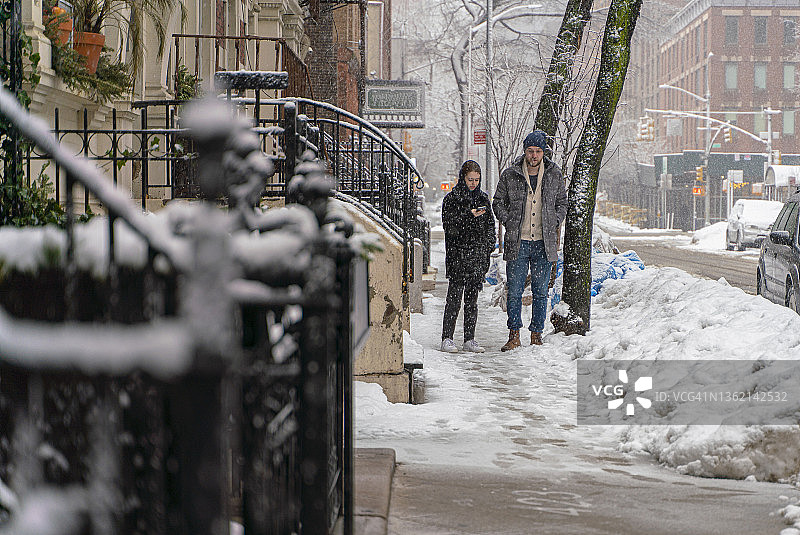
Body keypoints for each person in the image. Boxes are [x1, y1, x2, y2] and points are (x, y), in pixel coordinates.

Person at [492, 130, 567, 351]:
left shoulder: (554, 174)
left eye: (538, 151)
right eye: (530, 151)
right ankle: (514, 334)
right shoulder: (510, 174)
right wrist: (509, 221)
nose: (534, 155)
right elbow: (498, 202)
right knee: (514, 290)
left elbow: (562, 202)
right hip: (519, 240)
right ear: (524, 151)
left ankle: (536, 334)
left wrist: (556, 219)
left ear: (544, 152)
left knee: (541, 291)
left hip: (544, 242)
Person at [440, 160, 496, 353]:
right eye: (470, 179)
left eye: (476, 180)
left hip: (477, 256)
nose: (473, 183)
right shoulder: (452, 199)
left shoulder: (482, 199)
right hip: (458, 255)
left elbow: (490, 225)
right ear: (463, 178)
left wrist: (487, 246)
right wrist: (468, 215)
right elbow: (450, 227)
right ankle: (447, 337)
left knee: (472, 301)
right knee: (454, 299)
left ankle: (469, 338)